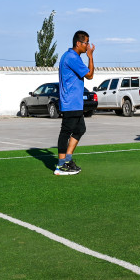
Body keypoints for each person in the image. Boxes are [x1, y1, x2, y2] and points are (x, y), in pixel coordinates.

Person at [54, 30, 95, 176]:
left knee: (79, 129)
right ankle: (60, 165)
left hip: (76, 103)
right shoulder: (72, 57)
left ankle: (67, 159)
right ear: (78, 43)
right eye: (86, 43)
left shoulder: (72, 56)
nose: (88, 46)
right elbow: (90, 75)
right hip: (70, 102)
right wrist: (90, 57)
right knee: (66, 131)